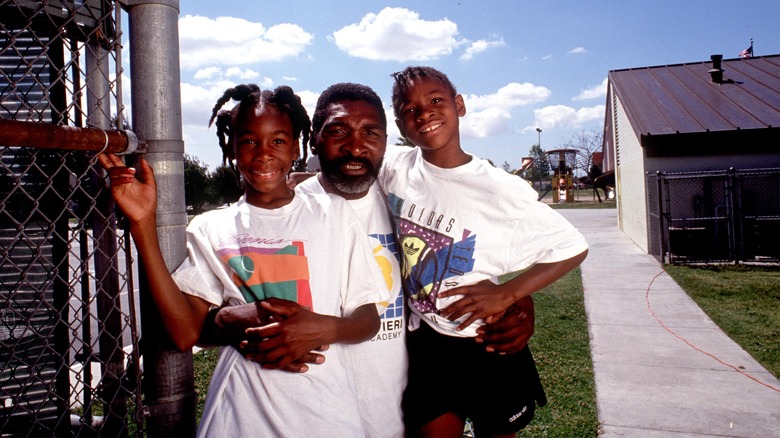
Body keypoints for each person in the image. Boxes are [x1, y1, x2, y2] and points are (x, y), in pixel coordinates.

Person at [210, 82, 539, 437]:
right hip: (318, 409)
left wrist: (519, 297)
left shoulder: (407, 199)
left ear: (385, 140)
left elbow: (476, 252)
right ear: (313, 140)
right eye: (337, 131)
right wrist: (226, 318)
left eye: (370, 133)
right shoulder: (288, 210)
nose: (354, 146)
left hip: (400, 404)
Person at [99, 84, 387, 437]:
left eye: (278, 141)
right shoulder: (211, 227)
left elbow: (367, 319)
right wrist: (142, 224)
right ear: (232, 147)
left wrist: (320, 327)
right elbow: (184, 333)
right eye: (249, 141)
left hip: (326, 413)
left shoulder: (334, 212)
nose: (264, 154)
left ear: (296, 146)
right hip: (239, 417)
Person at [381, 66, 589, 437]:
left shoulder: (497, 188)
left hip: (486, 341)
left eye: (435, 101)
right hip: (427, 343)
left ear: (459, 105)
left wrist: (508, 294)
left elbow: (571, 246)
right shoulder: (395, 167)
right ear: (400, 125)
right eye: (409, 109)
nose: (424, 113)